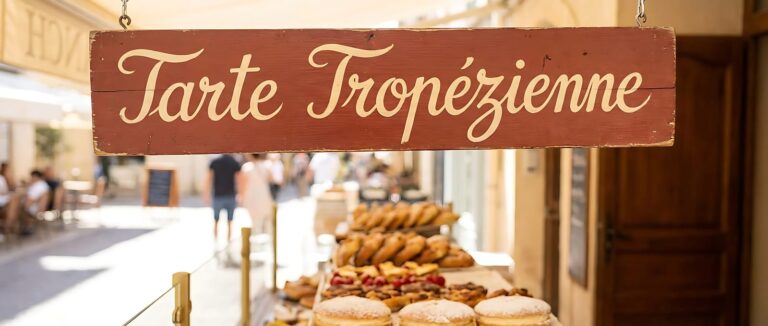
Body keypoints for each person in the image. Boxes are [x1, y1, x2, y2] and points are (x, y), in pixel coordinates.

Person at [204, 154, 242, 242]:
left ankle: (216, 241)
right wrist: (240, 194)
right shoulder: (234, 162)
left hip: (218, 195)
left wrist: (206, 194)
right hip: (230, 195)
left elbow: (209, 178)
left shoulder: (215, 162)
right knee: (229, 221)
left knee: (216, 220)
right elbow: (239, 179)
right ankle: (228, 241)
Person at [242, 153, 274, 234]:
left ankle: (256, 237)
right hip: (264, 194)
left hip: (252, 195)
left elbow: (244, 184)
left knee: (254, 221)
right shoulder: (267, 165)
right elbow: (271, 179)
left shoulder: (247, 167)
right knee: (267, 221)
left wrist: (242, 197)